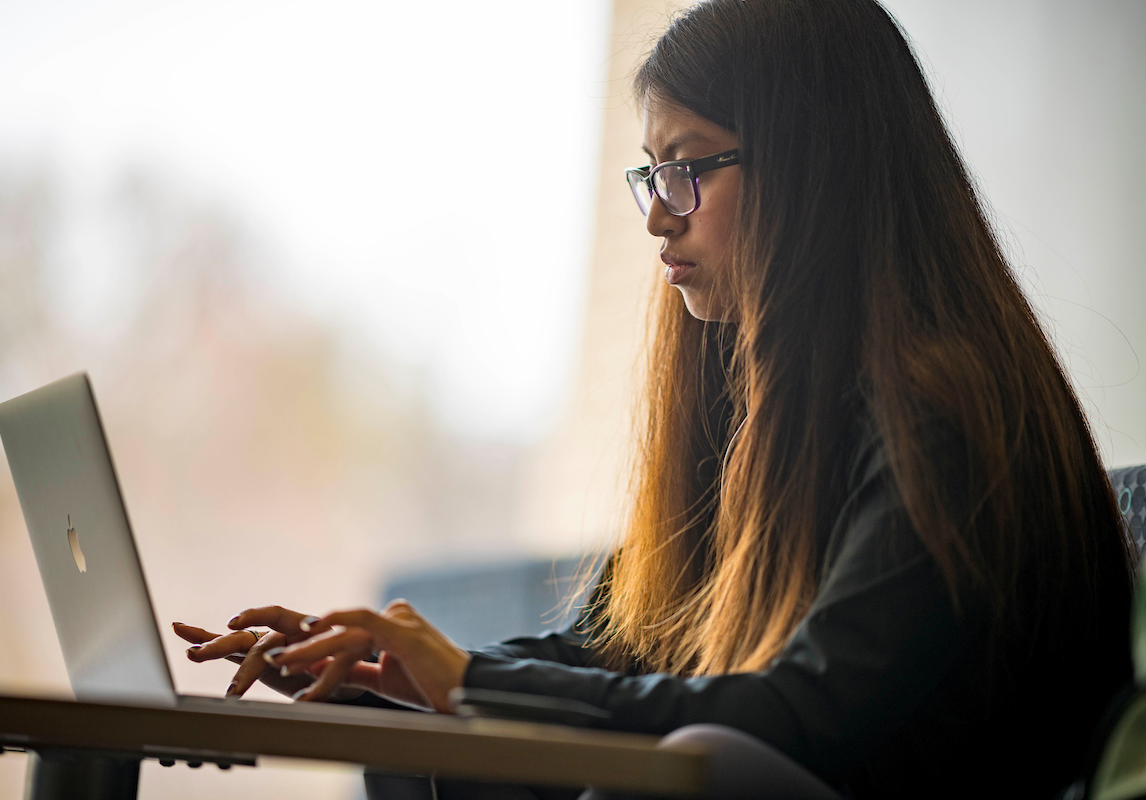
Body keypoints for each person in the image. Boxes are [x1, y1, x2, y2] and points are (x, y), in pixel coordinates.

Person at [174, 1, 1135, 797]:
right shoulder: (756, 409)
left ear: (815, 169)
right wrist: (388, 678)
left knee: (682, 767)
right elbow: (621, 650)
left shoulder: (947, 409)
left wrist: (472, 680)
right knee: (437, 756)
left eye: (687, 168)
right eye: (649, 174)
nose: (659, 215)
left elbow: (810, 718)